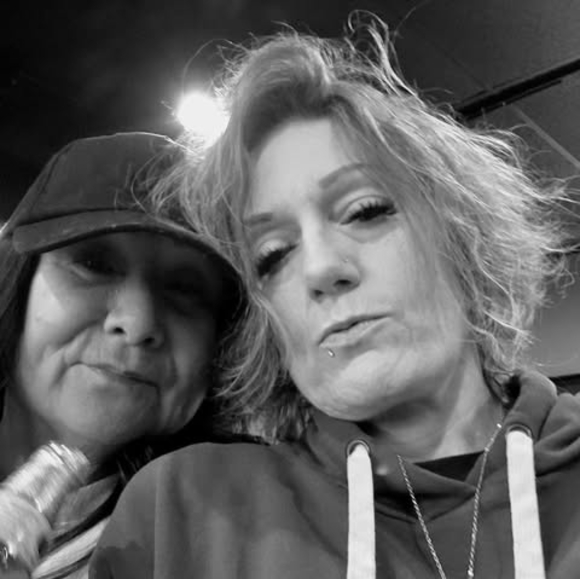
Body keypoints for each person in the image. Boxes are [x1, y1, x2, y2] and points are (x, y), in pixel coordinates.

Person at [90, 20, 579, 579]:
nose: (320, 269)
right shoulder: (183, 514)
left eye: (365, 211)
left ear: (461, 232)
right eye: (273, 255)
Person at [0, 131, 241, 579]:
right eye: (94, 264)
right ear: (18, 281)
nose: (138, 323)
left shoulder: (237, 540)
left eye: (186, 288)